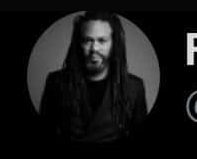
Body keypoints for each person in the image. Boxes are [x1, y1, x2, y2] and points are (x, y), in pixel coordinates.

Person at [39, 13, 148, 144]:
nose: (94, 48)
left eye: (102, 40)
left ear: (115, 44)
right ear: (78, 43)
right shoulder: (56, 82)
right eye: (87, 40)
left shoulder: (134, 87)